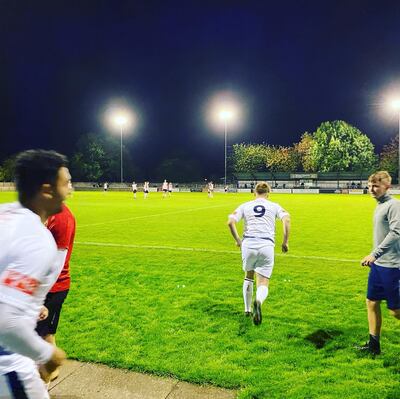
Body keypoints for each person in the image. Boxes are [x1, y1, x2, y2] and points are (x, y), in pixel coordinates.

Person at [0, 150, 70, 399]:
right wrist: (49, 354)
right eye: (66, 183)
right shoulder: (37, 239)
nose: (70, 190)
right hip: (8, 366)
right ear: (47, 189)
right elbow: (6, 322)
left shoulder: (5, 214)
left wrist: (29, 304)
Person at [228, 182, 290, 326]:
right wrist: (285, 242)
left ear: (254, 193)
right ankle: (259, 301)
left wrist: (238, 240)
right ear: (268, 193)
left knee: (248, 276)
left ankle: (247, 309)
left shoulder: (245, 205)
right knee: (263, 282)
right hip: (266, 245)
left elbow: (230, 222)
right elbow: (286, 219)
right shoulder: (274, 206)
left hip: (248, 244)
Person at [359, 171, 400, 355]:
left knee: (395, 311)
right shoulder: (379, 205)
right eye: (370, 186)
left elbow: (396, 232)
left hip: (392, 265)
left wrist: (374, 254)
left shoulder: (394, 205)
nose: (372, 189)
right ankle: (374, 346)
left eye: (376, 186)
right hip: (378, 266)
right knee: (371, 302)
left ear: (387, 186)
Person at [36, 204, 76, 382]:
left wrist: (38, 296)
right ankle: (50, 371)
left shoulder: (62, 218)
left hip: (52, 288)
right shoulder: (43, 211)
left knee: (42, 336)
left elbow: (56, 265)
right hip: (40, 286)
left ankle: (46, 376)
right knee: (45, 335)